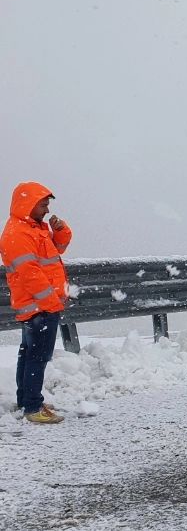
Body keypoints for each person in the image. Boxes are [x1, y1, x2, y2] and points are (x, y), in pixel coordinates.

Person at [1, 182, 72, 424]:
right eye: (43, 204)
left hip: (40, 305)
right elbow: (30, 274)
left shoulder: (35, 228)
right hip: (39, 306)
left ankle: (27, 400)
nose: (47, 209)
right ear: (28, 204)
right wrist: (52, 303)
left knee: (29, 353)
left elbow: (57, 250)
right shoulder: (18, 234)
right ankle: (33, 407)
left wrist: (60, 231)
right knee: (38, 356)